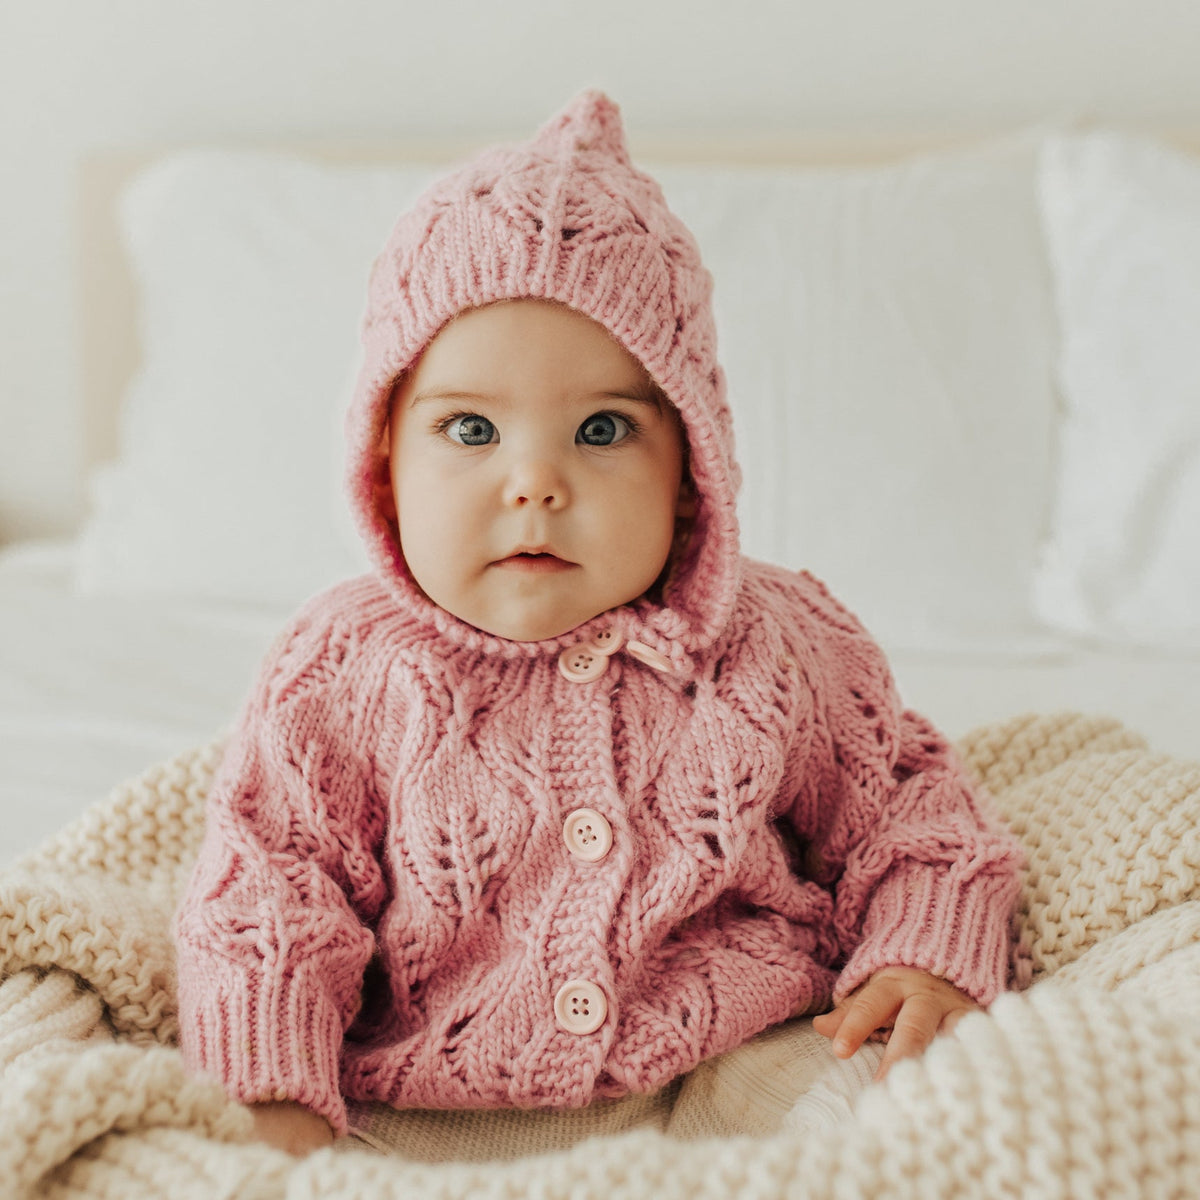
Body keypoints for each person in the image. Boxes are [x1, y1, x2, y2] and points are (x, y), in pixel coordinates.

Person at [174, 90, 1023, 1159]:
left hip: (748, 1053)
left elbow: (907, 812)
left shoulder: (778, 642)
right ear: (387, 459)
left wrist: (922, 950)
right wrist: (273, 1096)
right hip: (429, 1093)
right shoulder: (341, 667)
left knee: (945, 1137)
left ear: (688, 471)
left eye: (604, 428)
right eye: (472, 428)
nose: (535, 482)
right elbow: (269, 897)